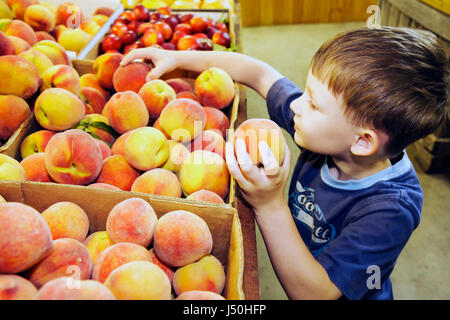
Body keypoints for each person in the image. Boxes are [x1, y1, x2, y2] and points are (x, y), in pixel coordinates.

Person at [120, 27, 450, 300]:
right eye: (305, 92)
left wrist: (269, 205)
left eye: (315, 104)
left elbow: (315, 294)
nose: (297, 106)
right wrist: (179, 58)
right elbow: (260, 73)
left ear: (362, 141)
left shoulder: (391, 209)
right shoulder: (325, 132)